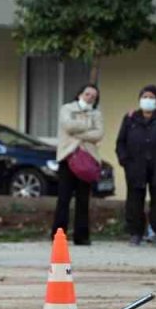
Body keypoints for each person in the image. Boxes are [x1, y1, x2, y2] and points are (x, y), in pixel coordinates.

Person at [116, 85, 156, 246]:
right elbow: (121, 142)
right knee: (134, 200)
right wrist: (125, 161)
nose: (148, 100)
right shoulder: (130, 119)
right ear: (139, 100)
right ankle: (135, 232)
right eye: (145, 97)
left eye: (151, 97)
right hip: (136, 166)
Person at [52, 84, 103, 247]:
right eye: (87, 94)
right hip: (68, 157)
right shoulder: (67, 109)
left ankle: (82, 236)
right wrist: (88, 125)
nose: (90, 98)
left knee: (83, 199)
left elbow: (99, 134)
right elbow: (68, 126)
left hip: (87, 159)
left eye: (93, 96)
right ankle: (58, 234)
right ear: (80, 94)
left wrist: (79, 130)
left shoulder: (96, 113)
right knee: (64, 199)